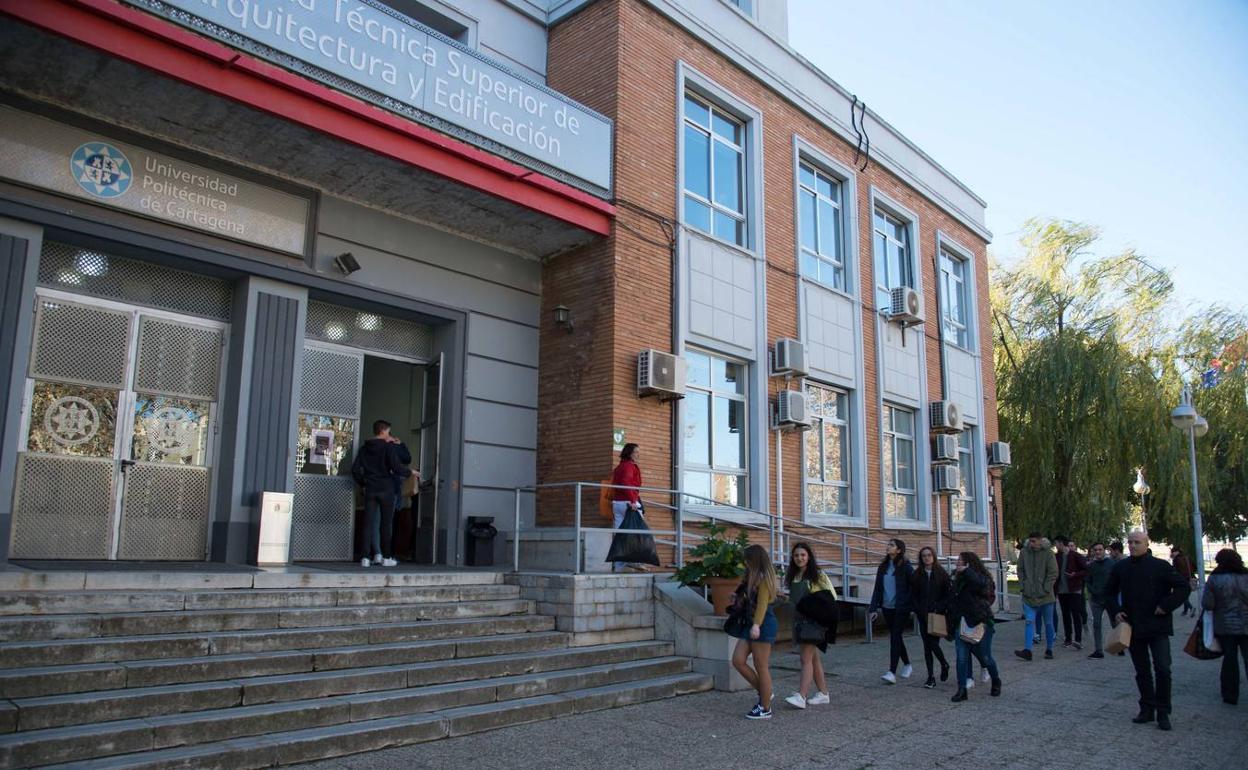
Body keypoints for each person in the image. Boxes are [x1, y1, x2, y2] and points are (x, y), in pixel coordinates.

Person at [1105, 528, 1190, 731]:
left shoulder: (1160, 566)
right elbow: (1108, 592)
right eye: (1130, 542)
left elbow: (1183, 587)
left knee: (1162, 669)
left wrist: (1165, 605)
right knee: (1142, 671)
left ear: (1146, 544)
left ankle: (1163, 711)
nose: (1133, 546)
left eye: (1137, 542)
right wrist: (1116, 611)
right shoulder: (1121, 567)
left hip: (1157, 626)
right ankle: (1147, 708)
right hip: (1133, 626)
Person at [729, 544, 779, 719]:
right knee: (738, 660)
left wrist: (757, 625)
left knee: (761, 666)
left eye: (747, 560)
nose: (745, 563)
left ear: (754, 560)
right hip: (750, 623)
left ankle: (765, 707)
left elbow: (763, 605)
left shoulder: (764, 578)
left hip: (762, 623)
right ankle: (765, 692)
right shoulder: (752, 576)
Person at [783, 542, 835, 709]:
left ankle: (802, 696)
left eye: (803, 555)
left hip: (812, 622)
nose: (799, 558)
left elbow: (830, 597)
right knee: (813, 658)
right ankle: (823, 693)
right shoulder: (794, 576)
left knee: (805, 659)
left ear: (809, 557)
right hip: (800, 621)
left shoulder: (817, 575)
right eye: (796, 555)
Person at [948, 551, 1001, 701]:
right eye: (957, 560)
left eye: (960, 561)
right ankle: (962, 689)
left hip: (980, 621)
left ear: (969, 563)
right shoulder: (957, 578)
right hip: (961, 621)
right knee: (961, 657)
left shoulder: (982, 578)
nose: (957, 563)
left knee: (985, 657)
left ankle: (996, 680)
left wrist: (967, 572)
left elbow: (981, 586)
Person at [351, 420, 404, 568]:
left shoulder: (364, 449)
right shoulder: (388, 448)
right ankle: (386, 557)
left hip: (371, 489)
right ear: (383, 431)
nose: (389, 435)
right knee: (386, 525)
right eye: (388, 431)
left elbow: (355, 470)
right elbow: (397, 467)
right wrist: (410, 472)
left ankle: (365, 558)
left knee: (368, 524)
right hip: (386, 489)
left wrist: (364, 483)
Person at [1201, 548, 1248, 705]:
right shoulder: (1246, 576)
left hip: (1225, 625)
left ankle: (1230, 694)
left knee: (1230, 659)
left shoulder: (1214, 579)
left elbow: (1208, 604)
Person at [868, 539, 915, 684]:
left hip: (901, 608)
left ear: (899, 550)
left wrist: (908, 603)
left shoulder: (906, 566)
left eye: (892, 545)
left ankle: (892, 672)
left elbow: (913, 587)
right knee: (897, 637)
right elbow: (877, 588)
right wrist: (873, 608)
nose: (888, 547)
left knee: (895, 636)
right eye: (888, 544)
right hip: (887, 607)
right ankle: (907, 664)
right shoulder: (883, 566)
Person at [910, 546, 951, 689]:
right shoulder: (917, 575)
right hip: (922, 614)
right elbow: (913, 594)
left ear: (933, 556)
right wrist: (917, 608)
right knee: (926, 647)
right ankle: (930, 677)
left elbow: (947, 595)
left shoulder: (941, 574)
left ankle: (944, 664)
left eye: (929, 555)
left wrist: (939, 607)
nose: (926, 558)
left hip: (936, 614)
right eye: (923, 556)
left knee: (933, 644)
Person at [1015, 532, 1058, 661]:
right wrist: (1023, 585)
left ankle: (1049, 649)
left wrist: (1046, 587)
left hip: (1045, 596)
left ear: (1040, 541)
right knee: (1029, 621)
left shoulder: (1048, 553)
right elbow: (1020, 569)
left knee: (1048, 623)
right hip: (1028, 594)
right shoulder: (1024, 552)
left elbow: (1053, 572)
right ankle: (1028, 650)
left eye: (1034, 541)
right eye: (1030, 541)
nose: (1032, 543)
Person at [610, 443, 644, 572]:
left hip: (617, 504)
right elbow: (626, 483)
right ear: (629, 453)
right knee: (639, 532)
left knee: (621, 535)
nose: (638, 454)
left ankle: (619, 566)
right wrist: (633, 501)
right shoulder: (629, 466)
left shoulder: (619, 467)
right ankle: (635, 561)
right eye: (636, 452)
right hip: (628, 504)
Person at [1054, 536, 1088, 650]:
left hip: (1074, 589)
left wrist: (1075, 575)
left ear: (1061, 543)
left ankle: (1078, 639)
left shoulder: (1075, 555)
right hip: (1062, 590)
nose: (1056, 546)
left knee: (1075, 614)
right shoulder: (1057, 556)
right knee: (1065, 614)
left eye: (1056, 543)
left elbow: (1085, 569)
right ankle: (1068, 638)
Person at [1086, 541, 1118, 658]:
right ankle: (1098, 650)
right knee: (1097, 624)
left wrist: (1112, 592)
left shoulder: (1111, 564)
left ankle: (1118, 645)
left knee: (1114, 622)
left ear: (1104, 551)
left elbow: (1116, 580)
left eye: (1100, 550)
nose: (1098, 552)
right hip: (1096, 600)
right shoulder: (1091, 566)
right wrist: (1093, 590)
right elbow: (1088, 581)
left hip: (1109, 598)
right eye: (1096, 550)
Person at [1171, 545, 1196, 616]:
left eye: (1173, 552)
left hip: (1181, 579)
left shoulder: (1176, 559)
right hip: (1190, 577)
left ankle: (1191, 608)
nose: (1172, 553)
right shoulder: (1187, 557)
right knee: (1185, 594)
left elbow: (1175, 570)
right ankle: (1185, 611)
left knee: (1182, 595)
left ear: (1176, 552)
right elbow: (1195, 567)